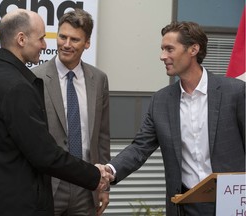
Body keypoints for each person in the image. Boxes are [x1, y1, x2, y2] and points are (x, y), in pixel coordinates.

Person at [0, 8, 113, 216]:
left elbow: (101, 135)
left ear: (86, 43)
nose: (45, 45)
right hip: (14, 201)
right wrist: (94, 175)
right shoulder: (20, 85)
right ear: (21, 39)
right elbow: (44, 154)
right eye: (42, 38)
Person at [103, 21, 245, 216]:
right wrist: (110, 170)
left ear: (193, 49)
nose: (163, 56)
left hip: (231, 205)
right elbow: (139, 147)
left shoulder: (235, 92)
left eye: (170, 49)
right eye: (162, 49)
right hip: (184, 207)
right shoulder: (160, 101)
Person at [31, 8, 110, 216]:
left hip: (87, 186)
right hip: (48, 185)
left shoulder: (99, 79)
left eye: (74, 39)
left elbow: (102, 136)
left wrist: (104, 186)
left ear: (87, 43)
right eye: (62, 36)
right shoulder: (34, 78)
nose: (66, 44)